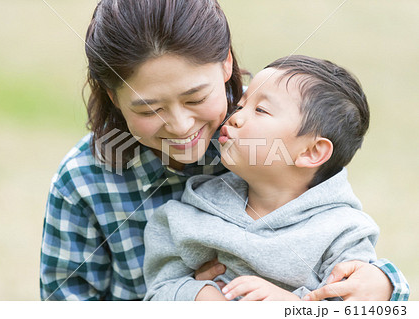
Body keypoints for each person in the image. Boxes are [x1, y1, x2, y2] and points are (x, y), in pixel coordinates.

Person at [40, 0, 409, 301]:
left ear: (226, 63)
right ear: (114, 98)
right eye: (148, 109)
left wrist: (385, 284)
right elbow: (65, 302)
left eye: (196, 97)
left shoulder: (266, 145)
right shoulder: (84, 181)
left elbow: (348, 258)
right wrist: (191, 295)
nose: (182, 126)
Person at [143, 55, 410, 301]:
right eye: (240, 106)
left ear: (311, 151)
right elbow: (158, 291)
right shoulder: (190, 213)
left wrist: (291, 304)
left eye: (260, 110)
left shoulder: (342, 233)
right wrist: (198, 296)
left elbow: (354, 304)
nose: (234, 118)